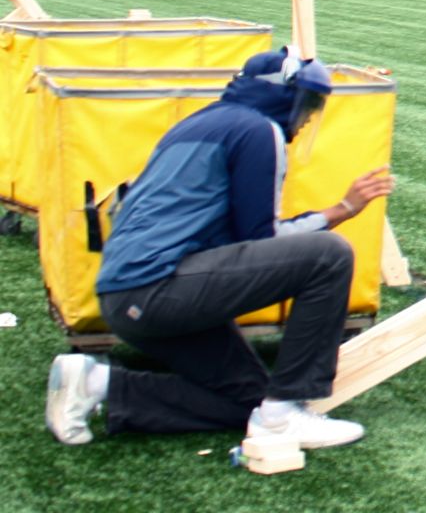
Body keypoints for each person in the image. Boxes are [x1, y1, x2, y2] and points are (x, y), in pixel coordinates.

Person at [45, 46, 394, 448]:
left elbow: (224, 235)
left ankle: (95, 382)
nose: (307, 116)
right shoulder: (258, 130)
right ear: (282, 92)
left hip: (129, 297)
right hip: (155, 290)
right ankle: (286, 413)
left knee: (249, 404)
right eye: (308, 102)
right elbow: (259, 239)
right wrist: (342, 210)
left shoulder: (205, 122)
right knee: (328, 255)